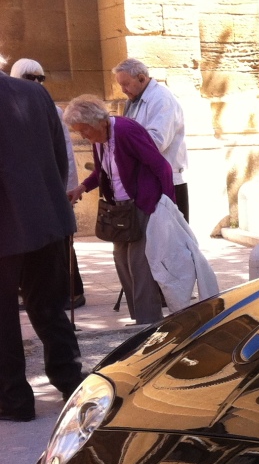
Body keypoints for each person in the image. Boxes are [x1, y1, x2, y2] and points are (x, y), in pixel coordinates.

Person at [0, 58, 84, 421]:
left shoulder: (33, 94)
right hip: (46, 217)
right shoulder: (35, 93)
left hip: (8, 225)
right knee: (50, 307)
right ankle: (70, 382)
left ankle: (14, 400)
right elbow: (59, 158)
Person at [65, 95, 175, 326]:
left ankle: (149, 320)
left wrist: (168, 206)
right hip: (119, 211)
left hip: (142, 205)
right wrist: (82, 188)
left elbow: (161, 166)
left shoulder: (125, 131)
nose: (83, 136)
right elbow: (102, 172)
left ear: (97, 122)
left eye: (84, 130)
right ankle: (139, 318)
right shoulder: (99, 138)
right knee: (122, 261)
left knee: (139, 264)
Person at [8, 58, 86, 309]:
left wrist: (66, 188)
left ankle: (72, 292)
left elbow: (64, 153)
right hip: (25, 195)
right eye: (30, 78)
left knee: (58, 246)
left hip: (46, 192)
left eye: (40, 78)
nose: (36, 83)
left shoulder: (51, 109)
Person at [113, 58, 190, 221]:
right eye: (121, 85)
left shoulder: (161, 98)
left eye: (126, 84)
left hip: (167, 182)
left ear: (141, 78)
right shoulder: (133, 101)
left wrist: (123, 150)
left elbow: (156, 142)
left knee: (171, 241)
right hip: (145, 181)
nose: (123, 90)